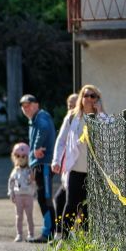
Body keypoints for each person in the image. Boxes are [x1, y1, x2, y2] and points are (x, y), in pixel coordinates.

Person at [51, 85, 106, 239]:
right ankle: (62, 237)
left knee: (90, 207)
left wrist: (100, 113)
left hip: (95, 171)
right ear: (81, 98)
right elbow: (61, 141)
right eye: (86, 95)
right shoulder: (72, 117)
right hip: (75, 168)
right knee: (71, 204)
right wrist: (56, 160)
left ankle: (88, 238)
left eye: (93, 96)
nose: (89, 99)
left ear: (98, 99)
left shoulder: (102, 118)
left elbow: (110, 132)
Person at [19, 94, 57, 242]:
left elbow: (44, 129)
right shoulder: (34, 119)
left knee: (45, 198)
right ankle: (51, 231)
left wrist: (35, 148)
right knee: (43, 198)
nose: (25, 108)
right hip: (39, 165)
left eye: (28, 105)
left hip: (45, 164)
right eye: (23, 106)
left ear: (36, 105)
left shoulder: (41, 117)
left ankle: (49, 233)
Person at [52, 93, 79, 240]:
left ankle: (67, 235)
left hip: (78, 170)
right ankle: (61, 233)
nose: (71, 108)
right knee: (60, 199)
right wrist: (56, 160)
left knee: (73, 203)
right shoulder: (69, 119)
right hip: (67, 172)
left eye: (73, 105)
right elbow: (61, 141)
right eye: (69, 105)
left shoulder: (83, 119)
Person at [8, 142, 36, 242]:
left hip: (28, 196)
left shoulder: (30, 170)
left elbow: (34, 182)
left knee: (29, 216)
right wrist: (11, 193)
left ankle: (31, 234)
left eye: (23, 156)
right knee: (18, 217)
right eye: (18, 156)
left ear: (27, 157)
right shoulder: (15, 171)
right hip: (18, 196)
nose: (20, 158)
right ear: (14, 157)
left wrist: (33, 181)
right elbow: (11, 182)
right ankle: (19, 234)